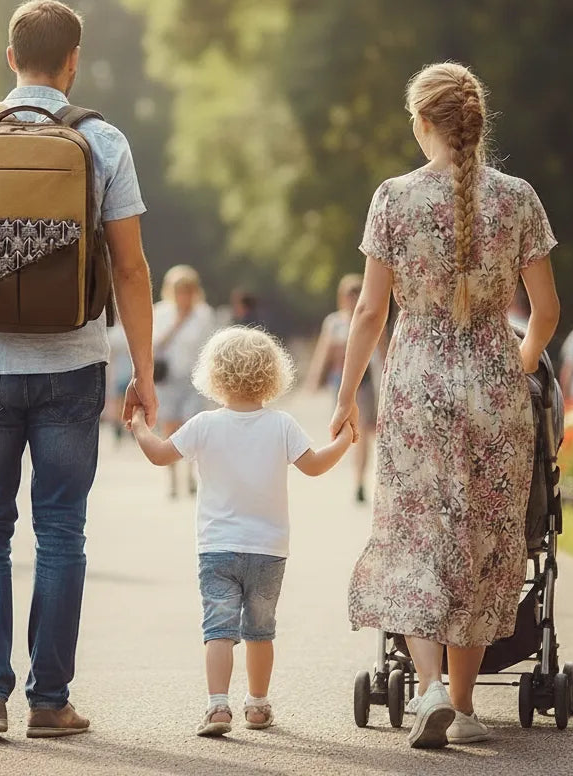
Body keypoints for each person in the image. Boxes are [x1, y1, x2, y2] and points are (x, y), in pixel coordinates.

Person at [0, 0, 157, 740]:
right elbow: (131, 268)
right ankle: (50, 702)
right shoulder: (103, 140)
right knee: (61, 531)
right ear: (73, 59)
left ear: (9, 55)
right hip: (73, 362)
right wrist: (142, 373)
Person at [332, 62, 560, 749]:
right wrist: (515, 374)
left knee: (414, 539)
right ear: (478, 125)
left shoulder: (393, 198)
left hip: (415, 387)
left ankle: (428, 688)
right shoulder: (518, 198)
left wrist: (347, 396)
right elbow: (545, 313)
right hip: (494, 385)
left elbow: (370, 310)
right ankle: (461, 707)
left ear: (421, 124)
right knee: (484, 550)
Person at [129, 326, 353, 737]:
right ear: (273, 375)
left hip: (216, 548)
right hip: (268, 549)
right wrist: (345, 441)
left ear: (213, 374)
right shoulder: (282, 424)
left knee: (218, 629)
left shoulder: (204, 424)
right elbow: (316, 465)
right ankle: (257, 703)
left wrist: (141, 427)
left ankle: (217, 707)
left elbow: (161, 455)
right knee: (260, 631)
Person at [305, 274, 384, 502]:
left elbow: (382, 352)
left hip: (366, 382)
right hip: (339, 383)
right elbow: (324, 352)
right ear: (342, 298)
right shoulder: (334, 323)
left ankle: (359, 479)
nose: (353, 299)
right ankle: (348, 471)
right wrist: (314, 378)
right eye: (350, 295)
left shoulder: (370, 320)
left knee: (361, 431)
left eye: (357, 294)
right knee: (344, 430)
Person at [153, 265, 216, 498]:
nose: (184, 295)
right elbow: (153, 344)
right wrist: (177, 322)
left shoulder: (204, 314)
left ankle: (190, 474)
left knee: (193, 425)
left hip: (194, 380)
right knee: (169, 428)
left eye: (188, 290)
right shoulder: (161, 312)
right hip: (167, 379)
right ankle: (171, 477)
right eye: (179, 290)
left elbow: (211, 347)